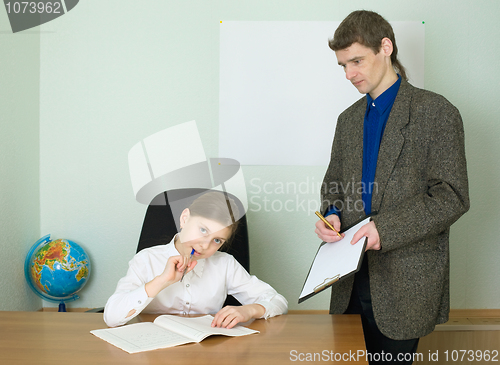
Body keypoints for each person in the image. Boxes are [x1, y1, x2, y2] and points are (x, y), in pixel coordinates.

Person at [314, 10, 469, 364]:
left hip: (406, 282)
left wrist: (383, 229)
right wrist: (332, 214)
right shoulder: (348, 119)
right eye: (343, 65)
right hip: (348, 279)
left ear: (386, 47)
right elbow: (334, 185)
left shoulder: (437, 111)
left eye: (357, 61)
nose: (350, 74)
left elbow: (452, 195)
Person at [105, 191, 288, 328]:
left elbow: (278, 301)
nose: (204, 246)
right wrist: (161, 281)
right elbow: (112, 317)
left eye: (217, 240)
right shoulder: (146, 260)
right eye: (203, 230)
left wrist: (248, 310)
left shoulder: (225, 264)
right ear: (185, 219)